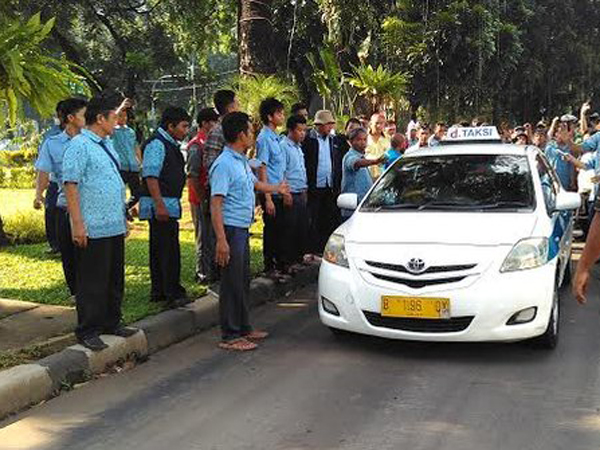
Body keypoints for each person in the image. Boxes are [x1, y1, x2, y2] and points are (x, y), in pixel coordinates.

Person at [210, 112, 290, 351]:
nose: (253, 135)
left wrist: (276, 188)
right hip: (231, 230)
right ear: (240, 134)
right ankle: (230, 334)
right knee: (232, 282)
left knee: (242, 280)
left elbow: (254, 184)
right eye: (250, 131)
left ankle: (243, 327)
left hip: (242, 229)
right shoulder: (223, 164)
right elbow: (216, 204)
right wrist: (221, 240)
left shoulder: (241, 161)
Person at [62, 96, 136, 352]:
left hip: (113, 223)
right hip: (92, 225)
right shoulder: (80, 145)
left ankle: (111, 322)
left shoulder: (107, 144)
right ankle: (88, 329)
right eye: (113, 117)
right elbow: (70, 184)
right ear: (100, 119)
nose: (117, 122)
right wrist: (77, 223)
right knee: (92, 280)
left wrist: (123, 217)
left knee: (114, 277)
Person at [34, 98, 88, 298]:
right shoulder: (53, 143)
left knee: (91, 252)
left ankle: (93, 291)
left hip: (90, 205)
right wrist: (38, 195)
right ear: (71, 118)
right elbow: (43, 171)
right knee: (69, 252)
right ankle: (76, 292)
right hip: (65, 205)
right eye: (84, 114)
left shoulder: (92, 140)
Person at [139, 107, 191, 307]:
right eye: (183, 126)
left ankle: (161, 289)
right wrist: (159, 204)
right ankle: (170, 291)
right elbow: (151, 176)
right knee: (166, 250)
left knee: (163, 248)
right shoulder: (157, 145)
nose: (186, 130)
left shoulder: (168, 144)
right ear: (170, 126)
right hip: (162, 205)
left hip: (167, 203)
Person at [200, 90, 240, 283]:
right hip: (220, 192)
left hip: (234, 195)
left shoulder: (232, 128)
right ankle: (216, 277)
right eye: (237, 102)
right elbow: (210, 163)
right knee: (218, 236)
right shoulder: (219, 131)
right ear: (230, 106)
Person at [302, 110, 343, 255]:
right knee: (313, 217)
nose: (330, 127)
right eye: (328, 125)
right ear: (320, 125)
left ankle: (323, 249)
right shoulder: (309, 140)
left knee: (328, 217)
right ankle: (312, 249)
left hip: (329, 184)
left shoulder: (333, 140)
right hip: (314, 185)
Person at [256, 97, 289, 275]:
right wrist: (267, 198)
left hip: (279, 190)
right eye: (279, 113)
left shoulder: (277, 138)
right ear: (270, 116)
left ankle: (281, 264)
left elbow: (280, 167)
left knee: (281, 229)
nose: (282, 116)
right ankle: (269, 266)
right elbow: (262, 166)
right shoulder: (264, 138)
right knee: (272, 230)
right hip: (270, 192)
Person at [186, 107, 219, 282]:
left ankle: (212, 269)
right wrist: (201, 199)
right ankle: (203, 272)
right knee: (203, 236)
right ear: (205, 123)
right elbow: (192, 176)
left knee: (212, 236)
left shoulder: (208, 142)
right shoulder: (196, 145)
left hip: (210, 197)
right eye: (214, 122)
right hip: (200, 199)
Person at [34, 100, 67, 255]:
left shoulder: (85, 135)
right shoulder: (51, 136)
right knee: (51, 211)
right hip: (55, 182)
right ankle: (55, 245)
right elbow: (43, 168)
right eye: (59, 114)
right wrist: (38, 193)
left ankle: (66, 243)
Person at [281, 114, 309, 270]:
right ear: (290, 130)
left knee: (301, 227)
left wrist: (304, 189)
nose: (303, 134)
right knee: (289, 229)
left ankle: (298, 258)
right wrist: (286, 193)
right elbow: (282, 172)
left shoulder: (298, 147)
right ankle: (287, 262)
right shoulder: (284, 146)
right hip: (290, 192)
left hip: (300, 191)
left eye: (304, 130)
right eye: (300, 130)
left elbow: (301, 170)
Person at [341, 128, 385, 220]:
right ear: (351, 142)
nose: (362, 142)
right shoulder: (349, 156)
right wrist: (375, 161)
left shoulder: (363, 157)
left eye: (365, 139)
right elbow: (356, 163)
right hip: (352, 208)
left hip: (364, 206)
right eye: (359, 139)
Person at [112, 103, 141, 217]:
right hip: (121, 166)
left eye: (125, 116)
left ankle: (125, 209)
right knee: (119, 192)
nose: (123, 118)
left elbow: (135, 147)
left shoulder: (130, 132)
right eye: (120, 116)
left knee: (138, 193)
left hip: (132, 166)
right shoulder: (113, 132)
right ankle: (120, 213)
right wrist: (120, 107)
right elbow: (112, 118)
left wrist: (140, 161)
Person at [545, 122, 580, 191]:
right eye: (559, 133)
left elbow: (572, 166)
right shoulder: (550, 147)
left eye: (563, 133)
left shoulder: (569, 149)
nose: (560, 135)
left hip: (564, 182)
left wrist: (572, 182)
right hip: (551, 182)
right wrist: (554, 122)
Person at [365, 112, 390, 178]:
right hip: (367, 177)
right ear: (370, 124)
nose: (379, 126)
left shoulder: (388, 139)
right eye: (376, 123)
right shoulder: (364, 138)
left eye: (382, 123)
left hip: (384, 177)